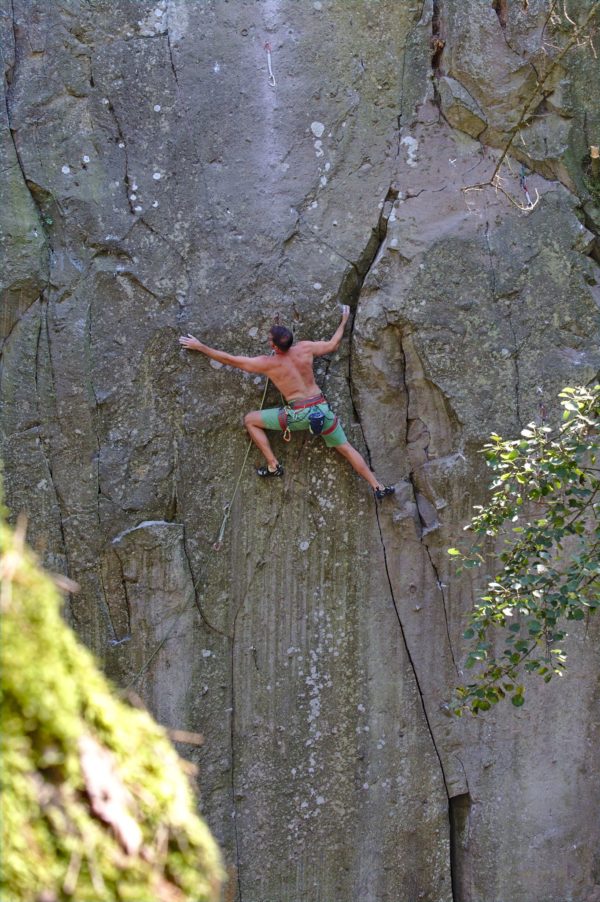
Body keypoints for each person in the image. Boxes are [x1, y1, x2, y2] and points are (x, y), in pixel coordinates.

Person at [178, 306, 395, 499]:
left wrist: (200, 346)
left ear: (273, 345)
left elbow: (230, 360)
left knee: (250, 420)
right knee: (346, 448)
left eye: (270, 340)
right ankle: (377, 486)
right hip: (322, 411)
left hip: (298, 415)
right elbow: (332, 344)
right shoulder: (305, 348)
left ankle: (273, 465)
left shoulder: (268, 364)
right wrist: (344, 321)